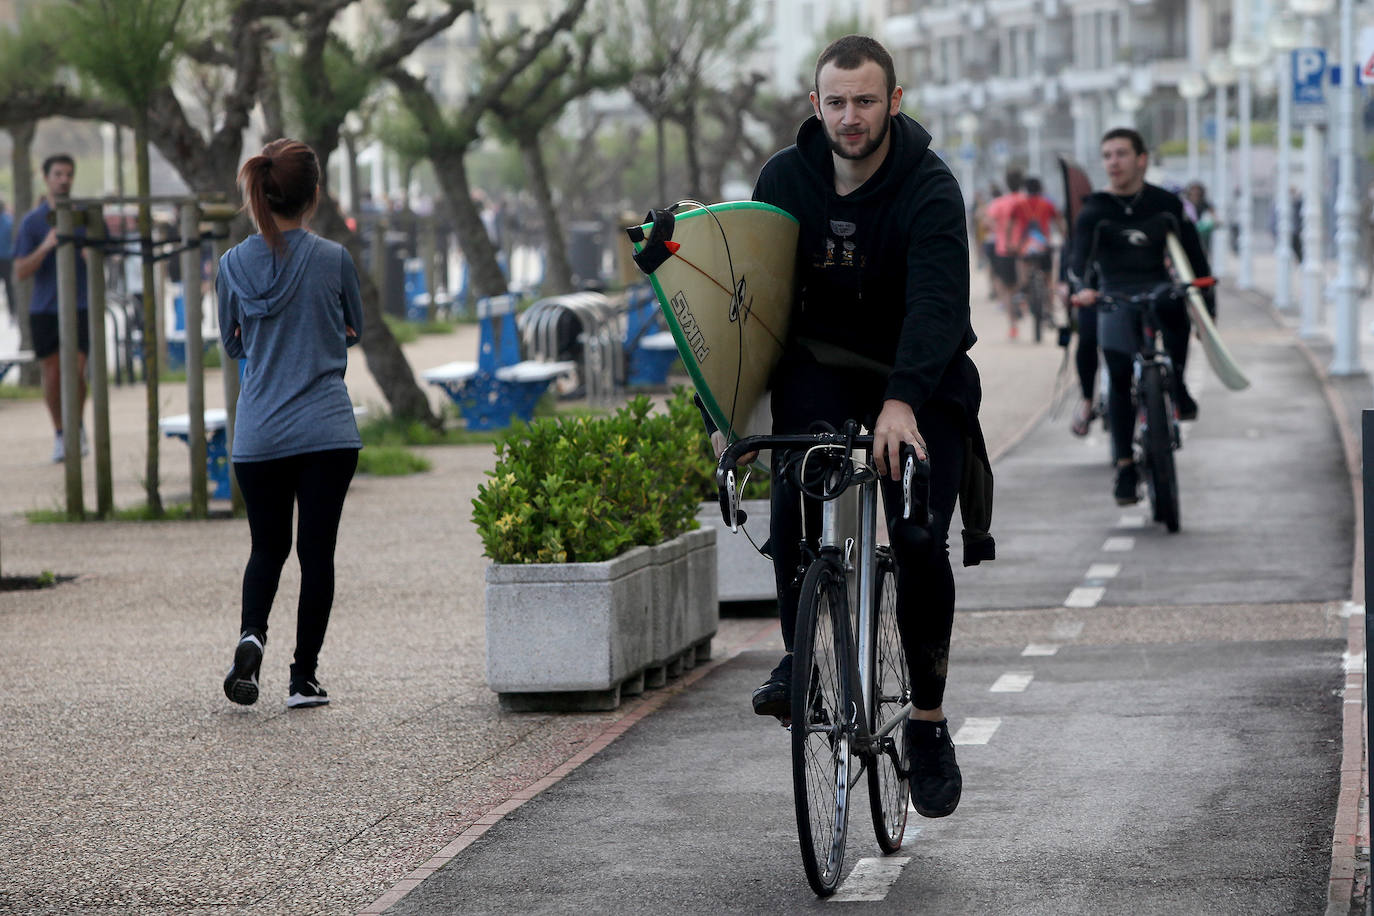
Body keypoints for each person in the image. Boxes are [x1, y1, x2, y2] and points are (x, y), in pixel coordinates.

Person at [741, 34, 993, 819]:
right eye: (837, 102)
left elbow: (938, 304)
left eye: (867, 100)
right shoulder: (785, 177)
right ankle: (800, 659)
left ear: (894, 101)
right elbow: (755, 296)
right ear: (816, 105)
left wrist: (903, 401)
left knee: (916, 536)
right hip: (824, 364)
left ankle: (926, 722)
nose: (852, 117)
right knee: (794, 482)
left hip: (922, 371)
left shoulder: (929, 185)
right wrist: (730, 407)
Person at [218, 138, 364, 710]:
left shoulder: (232, 265)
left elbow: (231, 342)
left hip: (258, 435)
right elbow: (355, 326)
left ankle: (252, 634)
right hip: (326, 431)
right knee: (316, 554)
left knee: (266, 548)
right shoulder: (334, 259)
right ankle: (303, 678)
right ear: (315, 195)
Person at [1067, 128, 1213, 505]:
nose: (1113, 162)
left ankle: (1177, 384)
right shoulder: (1096, 209)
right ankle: (1126, 466)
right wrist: (1081, 288)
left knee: (1174, 310)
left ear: (1141, 159)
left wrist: (1207, 311)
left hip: (1158, 287)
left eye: (1121, 154)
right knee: (1117, 378)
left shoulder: (1166, 204)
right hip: (1113, 293)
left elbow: (1195, 259)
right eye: (1107, 156)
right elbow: (1077, 260)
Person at [13, 155, 89, 462]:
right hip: (44, 309)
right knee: (54, 375)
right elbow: (19, 271)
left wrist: (91, 256)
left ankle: (77, 425)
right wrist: (46, 246)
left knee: (77, 371)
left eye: (69, 174)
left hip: (80, 306)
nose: (64, 179)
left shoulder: (84, 216)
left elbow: (107, 254)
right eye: (58, 174)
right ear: (46, 178)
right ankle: (60, 432)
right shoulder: (33, 222)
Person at [1010, 176, 1066, 336]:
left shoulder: (1019, 205)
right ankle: (1049, 310)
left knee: (1022, 268)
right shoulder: (1047, 203)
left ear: (1026, 189)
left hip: (1025, 246)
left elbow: (1010, 225)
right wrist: (1064, 238)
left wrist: (1010, 243)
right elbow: (1059, 222)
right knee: (1048, 279)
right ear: (1040, 189)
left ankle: (1022, 292)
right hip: (1044, 246)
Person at [982, 169, 1026, 337]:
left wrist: (998, 230)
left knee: (1006, 287)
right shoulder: (1027, 200)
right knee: (1024, 280)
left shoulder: (999, 203)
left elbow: (987, 222)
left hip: (1004, 248)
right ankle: (1023, 297)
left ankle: (1012, 325)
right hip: (1026, 248)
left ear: (1007, 184)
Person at [0, 199, 14, 321]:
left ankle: (12, 312)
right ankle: (12, 312)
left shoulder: (9, 221)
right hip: (7, 259)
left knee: (9, 287)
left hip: (5, 258)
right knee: (9, 287)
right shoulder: (9, 221)